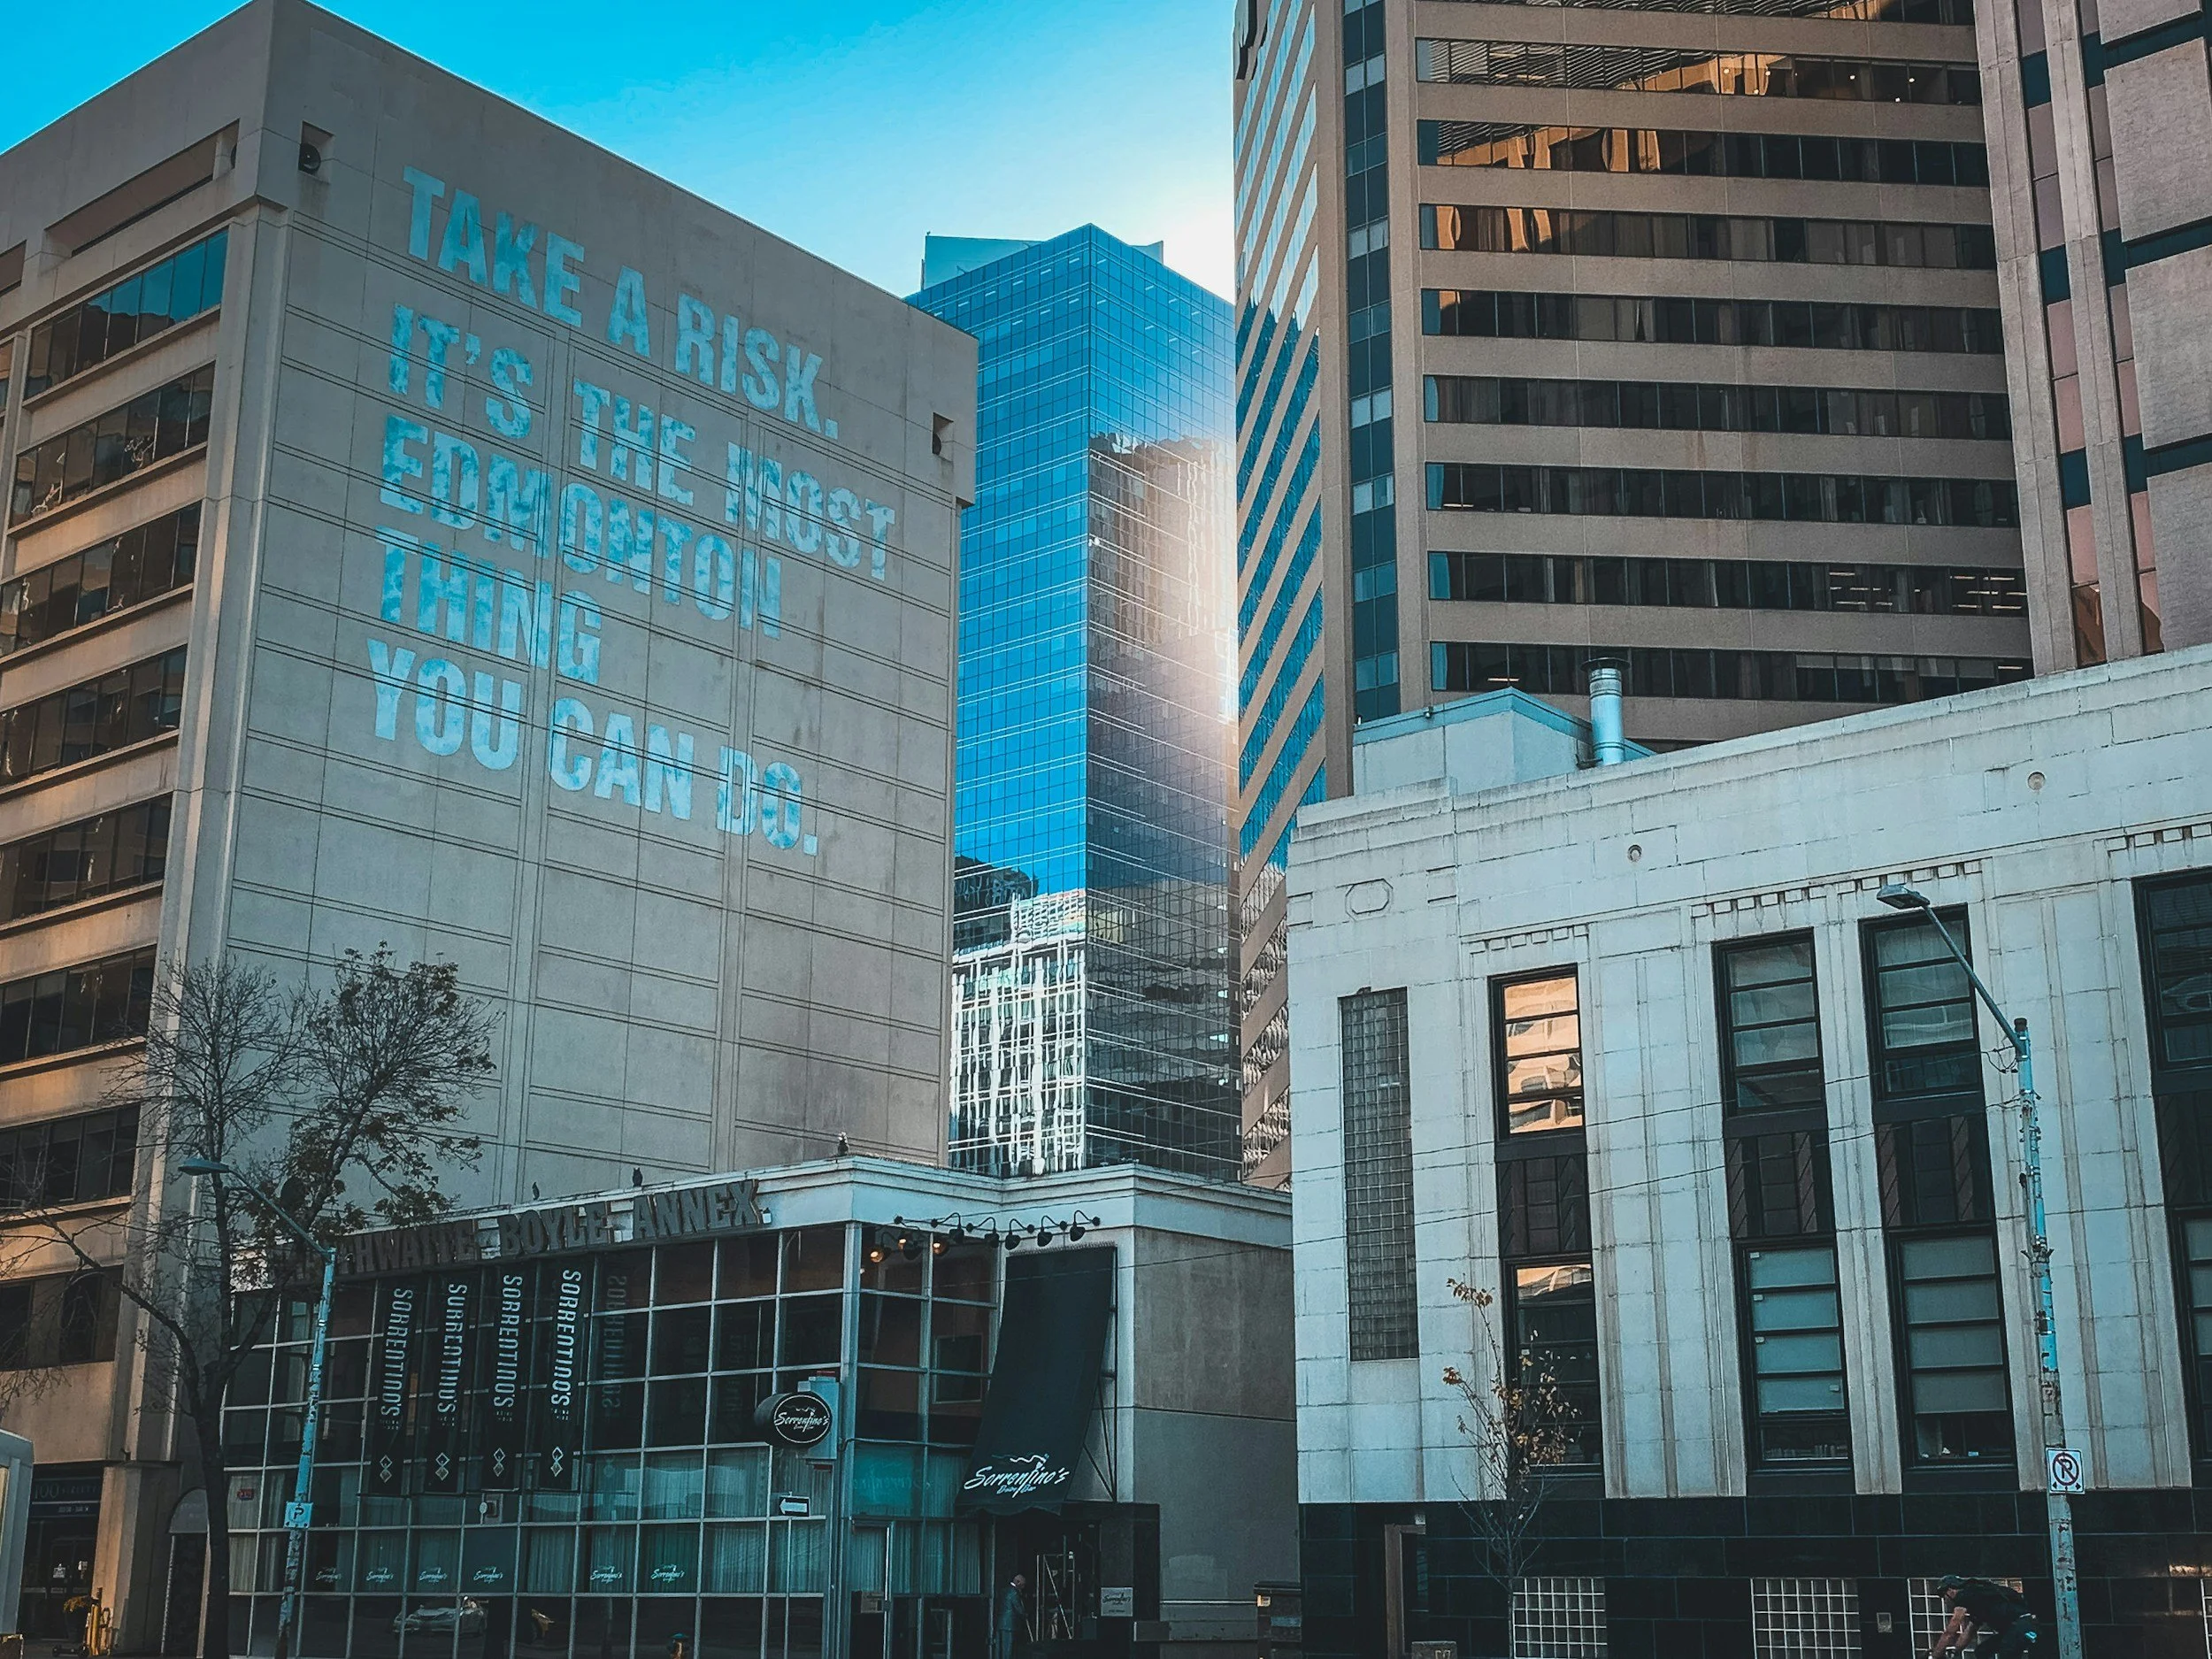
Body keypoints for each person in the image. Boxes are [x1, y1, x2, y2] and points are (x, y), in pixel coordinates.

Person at [1931, 1576, 2044, 1656]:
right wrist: (1955, 1652)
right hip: (2018, 1627)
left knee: (2007, 1653)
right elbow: (1970, 1631)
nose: (1944, 1601)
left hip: (2022, 1626)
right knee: (1982, 1651)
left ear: (1950, 1591)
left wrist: (1935, 1656)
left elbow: (1951, 1631)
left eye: (1943, 1596)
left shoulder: (1963, 1596)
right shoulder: (1977, 1598)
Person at [993, 1571, 1029, 1659]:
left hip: (1001, 1623)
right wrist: (1025, 1615)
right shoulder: (1014, 1593)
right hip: (1010, 1624)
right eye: (1023, 1585)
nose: (1023, 1587)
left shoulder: (1004, 1590)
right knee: (1008, 1649)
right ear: (1018, 1582)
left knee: (1000, 1648)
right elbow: (1018, 1607)